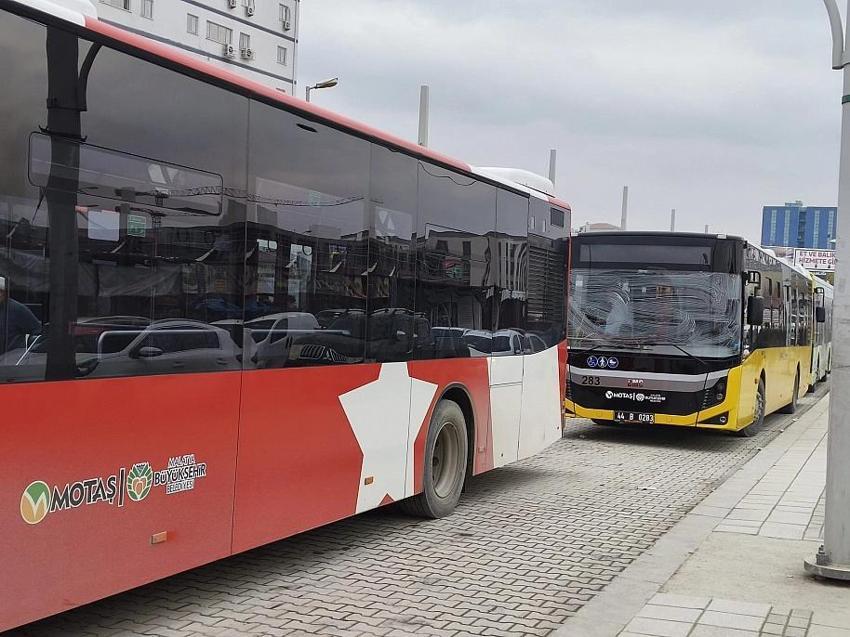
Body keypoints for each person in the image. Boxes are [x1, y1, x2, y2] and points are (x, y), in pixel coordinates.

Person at [0, 276, 41, 355]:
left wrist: (22, 350)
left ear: (6, 293)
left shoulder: (17, 309)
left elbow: (38, 332)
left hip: (11, 359)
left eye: (0, 291)